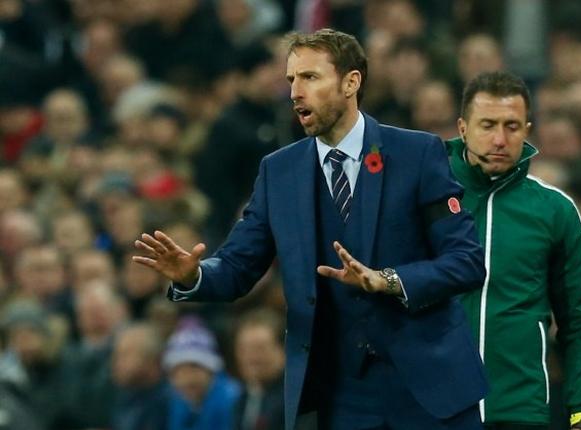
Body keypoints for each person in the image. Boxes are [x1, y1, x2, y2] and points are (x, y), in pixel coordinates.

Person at [133, 28, 487, 430]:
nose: (295, 93)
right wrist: (195, 275)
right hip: (339, 397)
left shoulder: (418, 153)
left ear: (351, 82)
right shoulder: (278, 171)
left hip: (430, 389)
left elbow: (466, 261)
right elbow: (238, 266)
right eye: (291, 80)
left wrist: (389, 280)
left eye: (310, 78)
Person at [446, 71, 581, 430]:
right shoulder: (423, 198)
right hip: (430, 411)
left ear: (527, 130)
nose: (500, 139)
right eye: (487, 125)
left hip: (519, 412)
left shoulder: (554, 210)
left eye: (512, 126)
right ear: (462, 128)